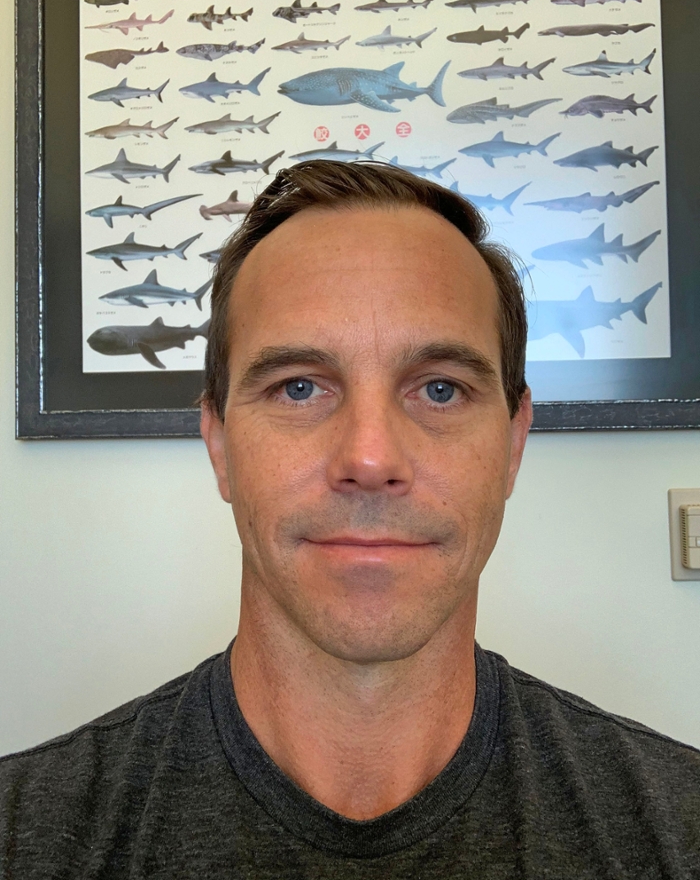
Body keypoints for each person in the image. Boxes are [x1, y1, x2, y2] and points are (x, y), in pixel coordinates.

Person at [1, 161, 698, 877]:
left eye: (440, 387)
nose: (369, 457)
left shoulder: (678, 827)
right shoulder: (25, 833)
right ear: (218, 444)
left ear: (514, 441)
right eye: (299, 387)